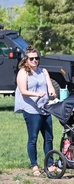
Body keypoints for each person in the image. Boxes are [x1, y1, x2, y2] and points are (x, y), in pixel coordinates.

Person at [14, 48, 57, 177]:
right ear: (26, 60)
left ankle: (50, 164)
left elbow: (50, 86)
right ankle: (34, 166)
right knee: (33, 138)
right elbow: (23, 91)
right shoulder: (23, 72)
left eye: (36, 58)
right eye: (31, 58)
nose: (34, 61)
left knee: (49, 138)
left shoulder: (43, 71)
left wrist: (52, 93)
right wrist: (37, 94)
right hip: (31, 109)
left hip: (44, 108)